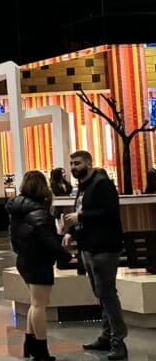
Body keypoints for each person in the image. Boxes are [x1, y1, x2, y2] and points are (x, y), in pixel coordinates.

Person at [62, 150, 128, 360]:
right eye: (71, 163)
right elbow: (80, 214)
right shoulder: (82, 187)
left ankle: (118, 341)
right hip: (88, 247)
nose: (73, 167)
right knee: (100, 293)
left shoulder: (102, 184)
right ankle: (107, 336)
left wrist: (80, 216)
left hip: (105, 248)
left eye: (77, 163)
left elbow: (109, 212)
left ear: (89, 163)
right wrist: (71, 233)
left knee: (107, 294)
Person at [8, 170, 72, 361]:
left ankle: (30, 343)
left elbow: (36, 236)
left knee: (36, 303)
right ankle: (41, 351)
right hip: (38, 262)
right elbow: (46, 241)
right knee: (39, 305)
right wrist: (66, 255)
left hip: (24, 260)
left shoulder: (19, 208)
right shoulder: (39, 212)